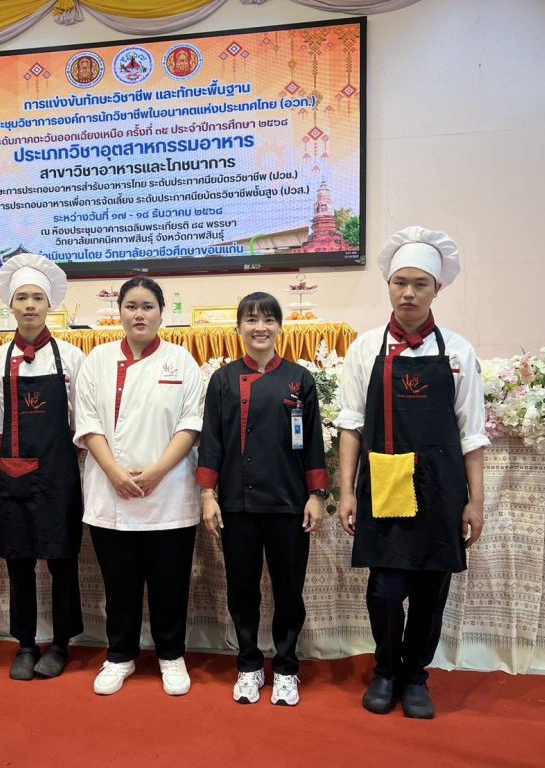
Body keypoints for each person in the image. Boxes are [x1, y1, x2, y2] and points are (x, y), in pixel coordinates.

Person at [334, 226, 488, 718]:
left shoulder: (458, 351)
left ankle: (415, 676)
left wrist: (475, 501)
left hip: (442, 488)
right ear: (388, 285)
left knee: (430, 591)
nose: (408, 293)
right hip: (385, 481)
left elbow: (472, 434)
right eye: (400, 282)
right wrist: (346, 491)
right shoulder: (365, 349)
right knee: (385, 591)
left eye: (420, 284)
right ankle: (385, 670)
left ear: (437, 289)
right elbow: (351, 426)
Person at [73, 277, 203, 697]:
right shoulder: (97, 359)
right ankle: (119, 656)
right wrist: (113, 471)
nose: (140, 314)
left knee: (170, 583)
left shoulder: (181, 360)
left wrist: (157, 472)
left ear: (162, 313)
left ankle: (171, 655)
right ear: (120, 312)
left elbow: (191, 424)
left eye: (148, 306)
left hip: (169, 492)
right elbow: (87, 421)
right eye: (131, 306)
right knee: (120, 584)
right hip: (111, 491)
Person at [197, 292, 328, 707]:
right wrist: (208, 494)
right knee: (242, 591)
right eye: (251, 319)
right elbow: (211, 441)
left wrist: (316, 495)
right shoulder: (222, 380)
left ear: (279, 328)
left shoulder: (299, 379)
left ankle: (286, 668)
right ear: (238, 328)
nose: (260, 327)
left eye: (268, 319)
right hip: (238, 505)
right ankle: (249, 665)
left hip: (289, 504)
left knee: (289, 591)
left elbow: (313, 442)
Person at [0, 254, 85, 680]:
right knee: (19, 562)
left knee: (62, 561)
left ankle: (61, 643)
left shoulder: (71, 357)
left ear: (49, 305)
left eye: (37, 298)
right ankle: (25, 643)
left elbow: (80, 421)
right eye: (22, 298)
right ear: (10, 305)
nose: (29, 305)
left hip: (59, 476)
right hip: (14, 475)